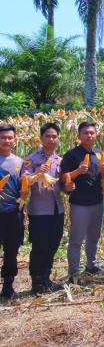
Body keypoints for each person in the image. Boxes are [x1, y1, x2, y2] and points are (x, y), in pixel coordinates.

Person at [60, 122, 104, 282]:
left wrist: (103, 173)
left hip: (97, 202)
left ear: (96, 135)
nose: (89, 136)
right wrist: (77, 171)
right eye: (85, 133)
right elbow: (64, 178)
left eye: (92, 133)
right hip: (79, 204)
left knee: (94, 237)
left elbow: (101, 179)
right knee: (76, 240)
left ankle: (91, 266)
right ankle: (73, 273)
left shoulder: (99, 153)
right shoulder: (71, 155)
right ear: (78, 136)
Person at [22, 123, 64, 294]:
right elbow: (24, 181)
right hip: (39, 210)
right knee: (40, 245)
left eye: (54, 136)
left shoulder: (60, 160)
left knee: (53, 244)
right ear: (41, 138)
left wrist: (69, 184)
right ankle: (36, 281)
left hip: (57, 209)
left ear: (58, 139)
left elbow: (62, 184)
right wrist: (37, 173)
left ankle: (46, 278)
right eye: (48, 136)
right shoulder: (31, 159)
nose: (51, 139)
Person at [0, 124, 23, 299]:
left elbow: (24, 188)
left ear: (15, 140)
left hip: (14, 214)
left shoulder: (19, 162)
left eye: (10, 137)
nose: (7, 140)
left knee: (11, 251)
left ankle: (8, 286)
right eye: (3, 137)